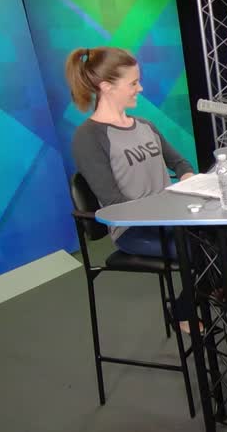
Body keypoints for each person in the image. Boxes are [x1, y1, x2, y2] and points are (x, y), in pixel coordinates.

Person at [66, 46, 198, 332]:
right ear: (107, 87)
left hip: (170, 219)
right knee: (203, 252)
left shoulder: (145, 125)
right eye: (133, 83)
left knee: (225, 242)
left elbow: (180, 162)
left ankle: (208, 297)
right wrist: (167, 208)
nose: (140, 88)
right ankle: (182, 312)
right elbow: (114, 203)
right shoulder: (88, 137)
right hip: (134, 230)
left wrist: (188, 178)